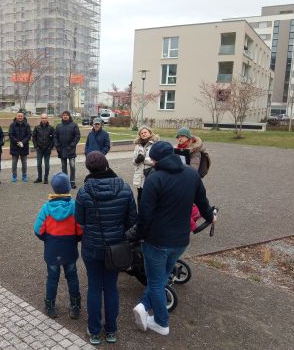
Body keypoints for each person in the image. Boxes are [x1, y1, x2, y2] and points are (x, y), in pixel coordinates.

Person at [127, 141, 216, 336]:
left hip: (157, 242)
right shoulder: (191, 175)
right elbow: (202, 202)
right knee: (160, 279)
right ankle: (142, 306)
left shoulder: (154, 178)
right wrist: (210, 217)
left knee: (156, 282)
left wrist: (135, 235)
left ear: (155, 159)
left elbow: (145, 214)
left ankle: (161, 322)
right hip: (181, 241)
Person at [75, 151, 137, 345]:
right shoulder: (125, 188)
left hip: (92, 247)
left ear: (88, 168)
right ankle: (111, 330)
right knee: (111, 288)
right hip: (116, 247)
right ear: (106, 164)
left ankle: (94, 332)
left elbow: (79, 220)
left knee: (94, 287)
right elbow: (132, 221)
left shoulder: (84, 191)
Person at [33, 172, 82, 319]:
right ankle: (75, 306)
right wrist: (75, 239)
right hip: (69, 249)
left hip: (52, 249)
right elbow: (80, 230)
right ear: (68, 188)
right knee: (72, 277)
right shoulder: (74, 206)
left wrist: (47, 239)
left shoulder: (46, 208)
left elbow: (38, 230)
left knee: (52, 278)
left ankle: (50, 305)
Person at [132, 126, 159, 207]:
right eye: (141, 133)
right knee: (140, 197)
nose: (143, 134)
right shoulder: (137, 145)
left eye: (145, 132)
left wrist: (144, 159)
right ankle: (140, 215)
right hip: (139, 176)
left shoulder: (155, 144)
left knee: (150, 197)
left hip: (150, 175)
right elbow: (133, 161)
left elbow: (157, 161)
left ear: (150, 133)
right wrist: (136, 160)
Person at [54, 111, 81, 189]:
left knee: (72, 166)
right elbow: (55, 136)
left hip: (71, 149)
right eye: (64, 115)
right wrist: (57, 146)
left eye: (66, 115)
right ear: (62, 116)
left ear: (69, 116)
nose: (65, 116)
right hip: (61, 150)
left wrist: (72, 145)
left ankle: (72, 182)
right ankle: (65, 182)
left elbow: (77, 136)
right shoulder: (59, 126)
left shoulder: (74, 125)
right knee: (63, 167)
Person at [9, 112, 32, 182]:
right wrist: (17, 142)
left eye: (21, 116)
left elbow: (29, 135)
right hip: (14, 147)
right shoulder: (12, 125)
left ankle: (24, 175)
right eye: (18, 116)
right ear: (16, 117)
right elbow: (10, 135)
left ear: (23, 117)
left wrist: (22, 142)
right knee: (14, 162)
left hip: (24, 146)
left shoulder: (27, 125)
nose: (20, 117)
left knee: (24, 162)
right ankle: (14, 175)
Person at [32, 113, 55, 184]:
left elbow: (53, 138)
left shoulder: (51, 128)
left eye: (45, 118)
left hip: (47, 149)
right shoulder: (37, 127)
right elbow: (34, 137)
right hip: (39, 149)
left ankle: (46, 178)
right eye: (43, 118)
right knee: (39, 164)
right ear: (41, 119)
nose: (44, 119)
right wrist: (36, 146)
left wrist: (50, 147)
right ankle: (39, 178)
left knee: (47, 165)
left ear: (47, 119)